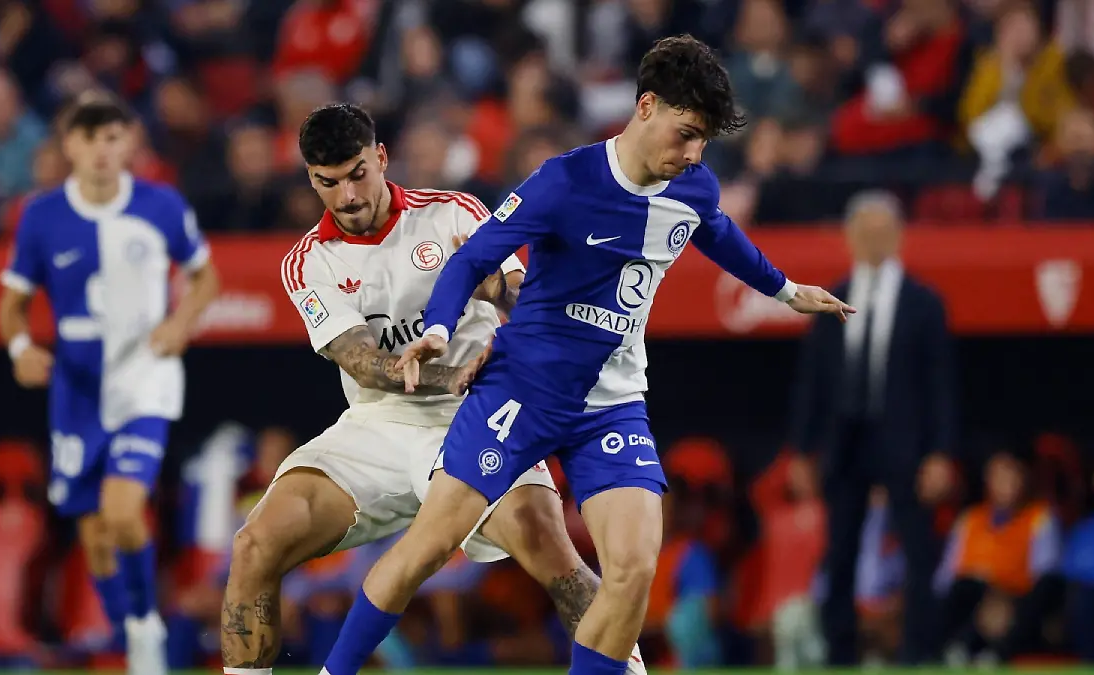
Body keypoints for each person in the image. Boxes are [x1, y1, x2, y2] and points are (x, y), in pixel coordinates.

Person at [318, 34, 853, 675]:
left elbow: (721, 236)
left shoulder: (694, 187)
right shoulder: (564, 181)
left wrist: (787, 290)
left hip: (612, 406)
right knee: (428, 547)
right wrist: (437, 327)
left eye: (704, 140)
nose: (693, 154)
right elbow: (472, 258)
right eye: (686, 133)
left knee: (632, 569)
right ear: (646, 107)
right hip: (521, 389)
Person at [220, 103, 647, 675]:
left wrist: (525, 298)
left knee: (560, 565)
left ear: (381, 158)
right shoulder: (308, 261)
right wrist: (448, 372)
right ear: (310, 179)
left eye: (357, 174)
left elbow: (515, 289)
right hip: (379, 429)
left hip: (478, 419)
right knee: (254, 546)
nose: (347, 197)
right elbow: (360, 360)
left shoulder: (451, 214)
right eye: (328, 183)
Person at [0, 93, 220, 675]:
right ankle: (126, 626)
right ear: (69, 146)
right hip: (76, 388)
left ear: (129, 144)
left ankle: (145, 628)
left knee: (124, 512)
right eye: (90, 138)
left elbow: (205, 276)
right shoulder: (42, 215)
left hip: (145, 377)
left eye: (112, 137)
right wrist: (21, 349)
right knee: (95, 533)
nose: (101, 150)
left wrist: (180, 322)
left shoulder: (161, 206)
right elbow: (11, 305)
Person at [788, 189, 956, 665]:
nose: (872, 240)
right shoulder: (829, 297)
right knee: (839, 553)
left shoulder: (924, 303)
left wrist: (941, 452)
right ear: (849, 237)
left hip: (905, 442)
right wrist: (801, 451)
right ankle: (839, 653)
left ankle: (918, 652)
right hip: (846, 443)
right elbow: (813, 383)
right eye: (863, 231)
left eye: (882, 230)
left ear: (899, 235)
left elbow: (941, 385)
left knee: (918, 554)